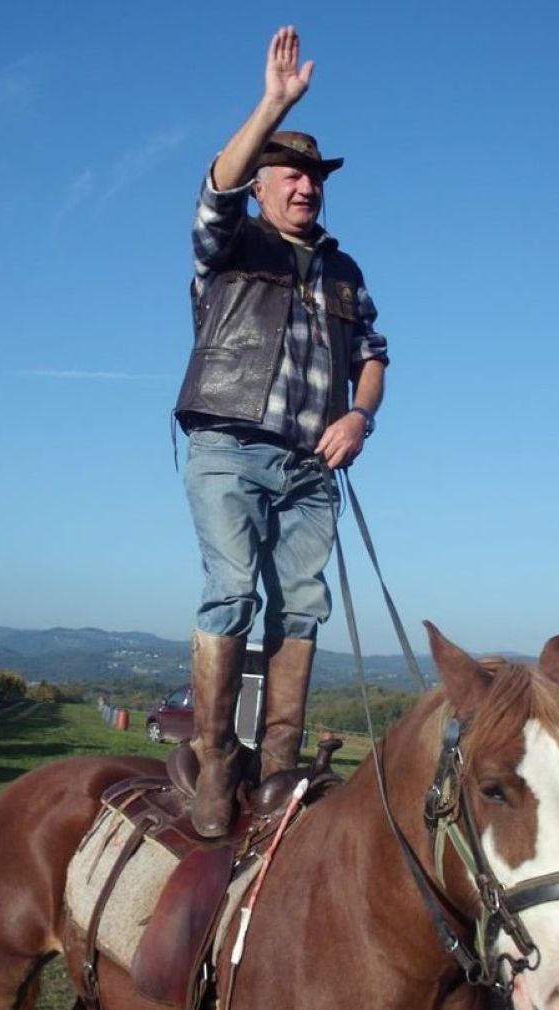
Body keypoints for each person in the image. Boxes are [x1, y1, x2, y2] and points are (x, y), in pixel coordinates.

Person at [173, 26, 388, 838]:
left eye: (315, 177)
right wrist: (272, 104)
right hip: (228, 446)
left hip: (310, 467)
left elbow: (374, 356)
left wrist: (360, 415)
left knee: (301, 607)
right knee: (233, 590)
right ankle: (215, 762)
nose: (307, 186)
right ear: (262, 184)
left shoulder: (345, 271)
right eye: (291, 174)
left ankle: (278, 768)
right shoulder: (229, 243)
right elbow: (216, 187)